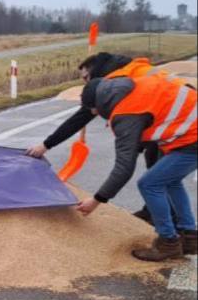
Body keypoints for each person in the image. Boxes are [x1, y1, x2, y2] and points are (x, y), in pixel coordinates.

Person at [25, 52, 167, 223]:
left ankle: (173, 226)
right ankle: (156, 212)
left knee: (158, 175)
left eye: (86, 78)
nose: (85, 83)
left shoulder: (114, 81)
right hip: (160, 118)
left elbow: (82, 116)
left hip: (173, 121)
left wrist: (46, 145)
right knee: (156, 169)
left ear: (95, 70)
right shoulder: (123, 72)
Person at [76, 74, 197, 261]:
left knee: (149, 184)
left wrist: (96, 199)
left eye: (95, 112)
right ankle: (190, 237)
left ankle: (169, 242)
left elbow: (124, 168)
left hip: (192, 138)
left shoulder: (125, 113)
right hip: (189, 132)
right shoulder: (133, 86)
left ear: (99, 105)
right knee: (170, 181)